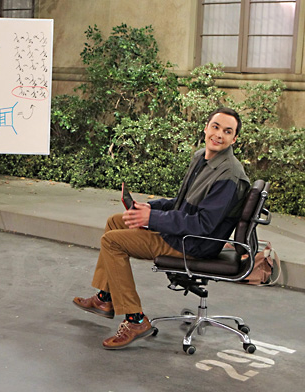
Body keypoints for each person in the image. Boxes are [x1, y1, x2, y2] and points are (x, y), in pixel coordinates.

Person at [73, 107, 250, 349]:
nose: (219, 135)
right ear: (206, 128)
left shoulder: (229, 174)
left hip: (192, 243)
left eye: (228, 131)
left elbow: (203, 224)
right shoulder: (202, 157)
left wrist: (152, 218)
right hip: (183, 233)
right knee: (117, 221)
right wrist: (151, 207)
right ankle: (105, 298)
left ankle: (135, 320)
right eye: (216, 127)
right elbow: (183, 203)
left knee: (112, 241)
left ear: (234, 139)